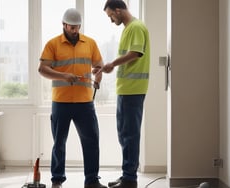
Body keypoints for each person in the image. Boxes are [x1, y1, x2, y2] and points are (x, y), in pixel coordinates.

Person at [38, 8, 107, 188]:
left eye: (77, 27)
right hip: (61, 102)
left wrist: (97, 77)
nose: (75, 31)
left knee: (91, 141)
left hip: (85, 103)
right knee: (59, 143)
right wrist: (63, 76)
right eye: (72, 27)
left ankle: (92, 180)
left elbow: (99, 66)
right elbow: (42, 69)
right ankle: (57, 180)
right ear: (63, 25)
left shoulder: (90, 43)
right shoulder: (53, 44)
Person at [98, 1, 150, 188]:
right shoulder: (129, 28)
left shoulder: (135, 27)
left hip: (133, 90)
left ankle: (130, 179)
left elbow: (135, 53)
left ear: (118, 10)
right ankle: (127, 175)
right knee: (124, 134)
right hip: (126, 89)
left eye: (111, 15)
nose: (111, 20)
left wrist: (112, 64)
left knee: (130, 135)